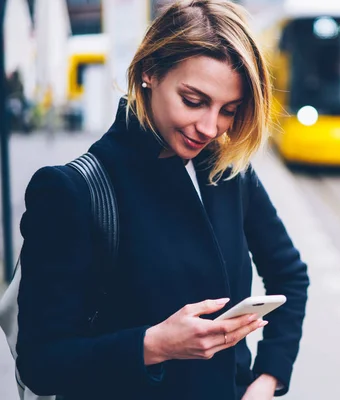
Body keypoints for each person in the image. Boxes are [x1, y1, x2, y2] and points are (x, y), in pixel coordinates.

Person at [16, 1, 309, 399]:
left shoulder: (227, 171)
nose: (209, 128)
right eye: (193, 100)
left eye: (229, 111)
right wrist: (153, 345)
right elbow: (40, 362)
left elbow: (289, 274)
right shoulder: (72, 190)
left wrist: (268, 379)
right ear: (149, 72)